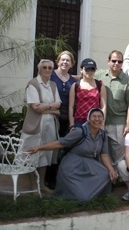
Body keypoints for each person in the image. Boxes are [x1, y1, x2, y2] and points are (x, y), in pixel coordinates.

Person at [27, 108, 118, 202]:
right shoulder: (80, 131)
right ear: (88, 119)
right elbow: (59, 143)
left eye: (100, 117)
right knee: (82, 197)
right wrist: (39, 148)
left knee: (106, 174)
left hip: (90, 163)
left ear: (103, 119)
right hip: (73, 164)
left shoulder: (103, 135)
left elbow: (104, 155)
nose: (97, 119)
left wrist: (111, 170)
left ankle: (97, 197)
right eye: (94, 116)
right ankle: (82, 197)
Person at [20, 59, 61, 193]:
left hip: (50, 125)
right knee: (32, 153)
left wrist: (47, 107)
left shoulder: (53, 85)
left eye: (50, 68)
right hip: (35, 124)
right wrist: (52, 109)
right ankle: (32, 185)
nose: (47, 70)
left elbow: (58, 104)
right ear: (39, 69)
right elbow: (35, 107)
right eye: (45, 67)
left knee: (46, 154)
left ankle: (41, 185)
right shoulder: (33, 84)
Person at [96, 50, 129, 167]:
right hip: (99, 122)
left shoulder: (128, 81)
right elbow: (85, 78)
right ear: (108, 61)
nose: (116, 63)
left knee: (118, 156)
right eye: (113, 61)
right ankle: (104, 179)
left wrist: (128, 125)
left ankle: (117, 180)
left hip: (118, 124)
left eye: (119, 61)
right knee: (101, 152)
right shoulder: (99, 76)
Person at [46, 51, 77, 189]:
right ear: (58, 62)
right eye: (62, 60)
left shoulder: (72, 80)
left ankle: (57, 178)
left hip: (67, 117)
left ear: (72, 64)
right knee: (50, 147)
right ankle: (46, 177)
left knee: (62, 148)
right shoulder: (51, 75)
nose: (65, 62)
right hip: (52, 115)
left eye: (68, 61)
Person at [69, 58, 107, 129]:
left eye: (92, 69)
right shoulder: (75, 85)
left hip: (95, 122)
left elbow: (103, 106)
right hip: (79, 122)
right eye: (87, 69)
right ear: (81, 70)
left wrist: (102, 124)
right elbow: (71, 107)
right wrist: (71, 125)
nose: (90, 71)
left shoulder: (100, 85)